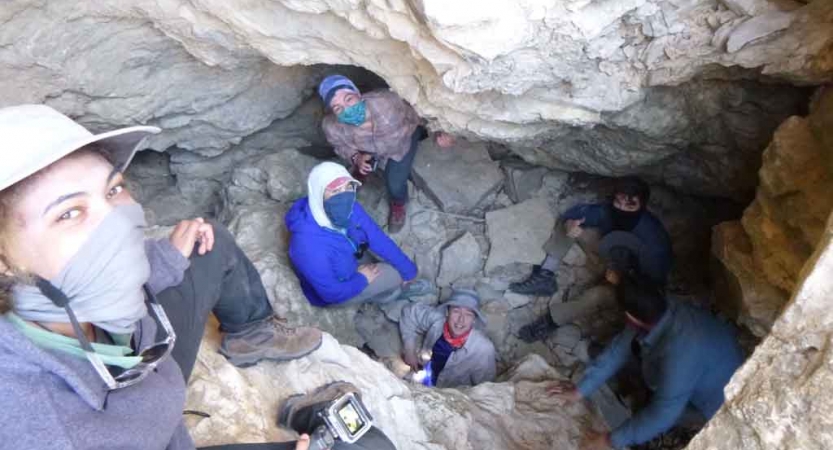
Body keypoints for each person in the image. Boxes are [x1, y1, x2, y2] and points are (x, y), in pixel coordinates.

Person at [0, 104, 380, 450]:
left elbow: (113, 265)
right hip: (158, 429)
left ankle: (252, 333)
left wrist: (166, 258)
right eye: (69, 213)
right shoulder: (42, 424)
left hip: (149, 366)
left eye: (114, 189)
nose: (117, 222)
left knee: (206, 242)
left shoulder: (61, 289)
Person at [547, 276, 745, 450]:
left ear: (630, 317)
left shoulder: (681, 356)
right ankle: (642, 419)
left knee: (661, 413)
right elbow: (618, 350)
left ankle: (661, 433)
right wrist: (580, 390)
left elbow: (663, 413)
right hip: (709, 362)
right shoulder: (660, 307)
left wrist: (610, 440)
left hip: (718, 401)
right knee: (652, 388)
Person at [514, 177, 673, 341]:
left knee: (595, 296)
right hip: (608, 255)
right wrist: (571, 224)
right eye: (618, 202)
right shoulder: (610, 211)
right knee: (573, 227)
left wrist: (621, 282)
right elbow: (581, 212)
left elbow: (651, 290)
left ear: (642, 206)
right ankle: (545, 274)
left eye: (630, 205)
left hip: (630, 283)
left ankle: (550, 322)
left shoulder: (654, 244)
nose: (622, 208)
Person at [318, 74, 455, 233]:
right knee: (364, 164)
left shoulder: (387, 103)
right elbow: (339, 145)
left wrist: (437, 132)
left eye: (349, 99)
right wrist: (356, 157)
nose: (346, 109)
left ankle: (398, 203)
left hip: (401, 143)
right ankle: (363, 170)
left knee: (395, 182)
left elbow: (419, 114)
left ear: (359, 95)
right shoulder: (332, 126)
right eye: (337, 108)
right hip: (368, 148)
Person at [286, 162, 432, 308]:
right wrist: (362, 279)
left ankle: (383, 292)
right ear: (318, 194)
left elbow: (376, 237)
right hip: (336, 290)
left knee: (394, 263)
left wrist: (408, 269)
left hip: (348, 254)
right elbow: (330, 294)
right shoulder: (306, 246)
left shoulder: (349, 208)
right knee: (394, 274)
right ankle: (389, 295)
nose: (344, 195)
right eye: (335, 191)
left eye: (348, 187)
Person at [399, 290, 497, 388]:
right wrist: (409, 351)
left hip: (451, 396)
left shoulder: (483, 350)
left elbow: (485, 388)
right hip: (425, 376)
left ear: (474, 320)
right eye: (456, 311)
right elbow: (409, 311)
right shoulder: (437, 320)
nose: (461, 320)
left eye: (468, 314)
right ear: (447, 312)